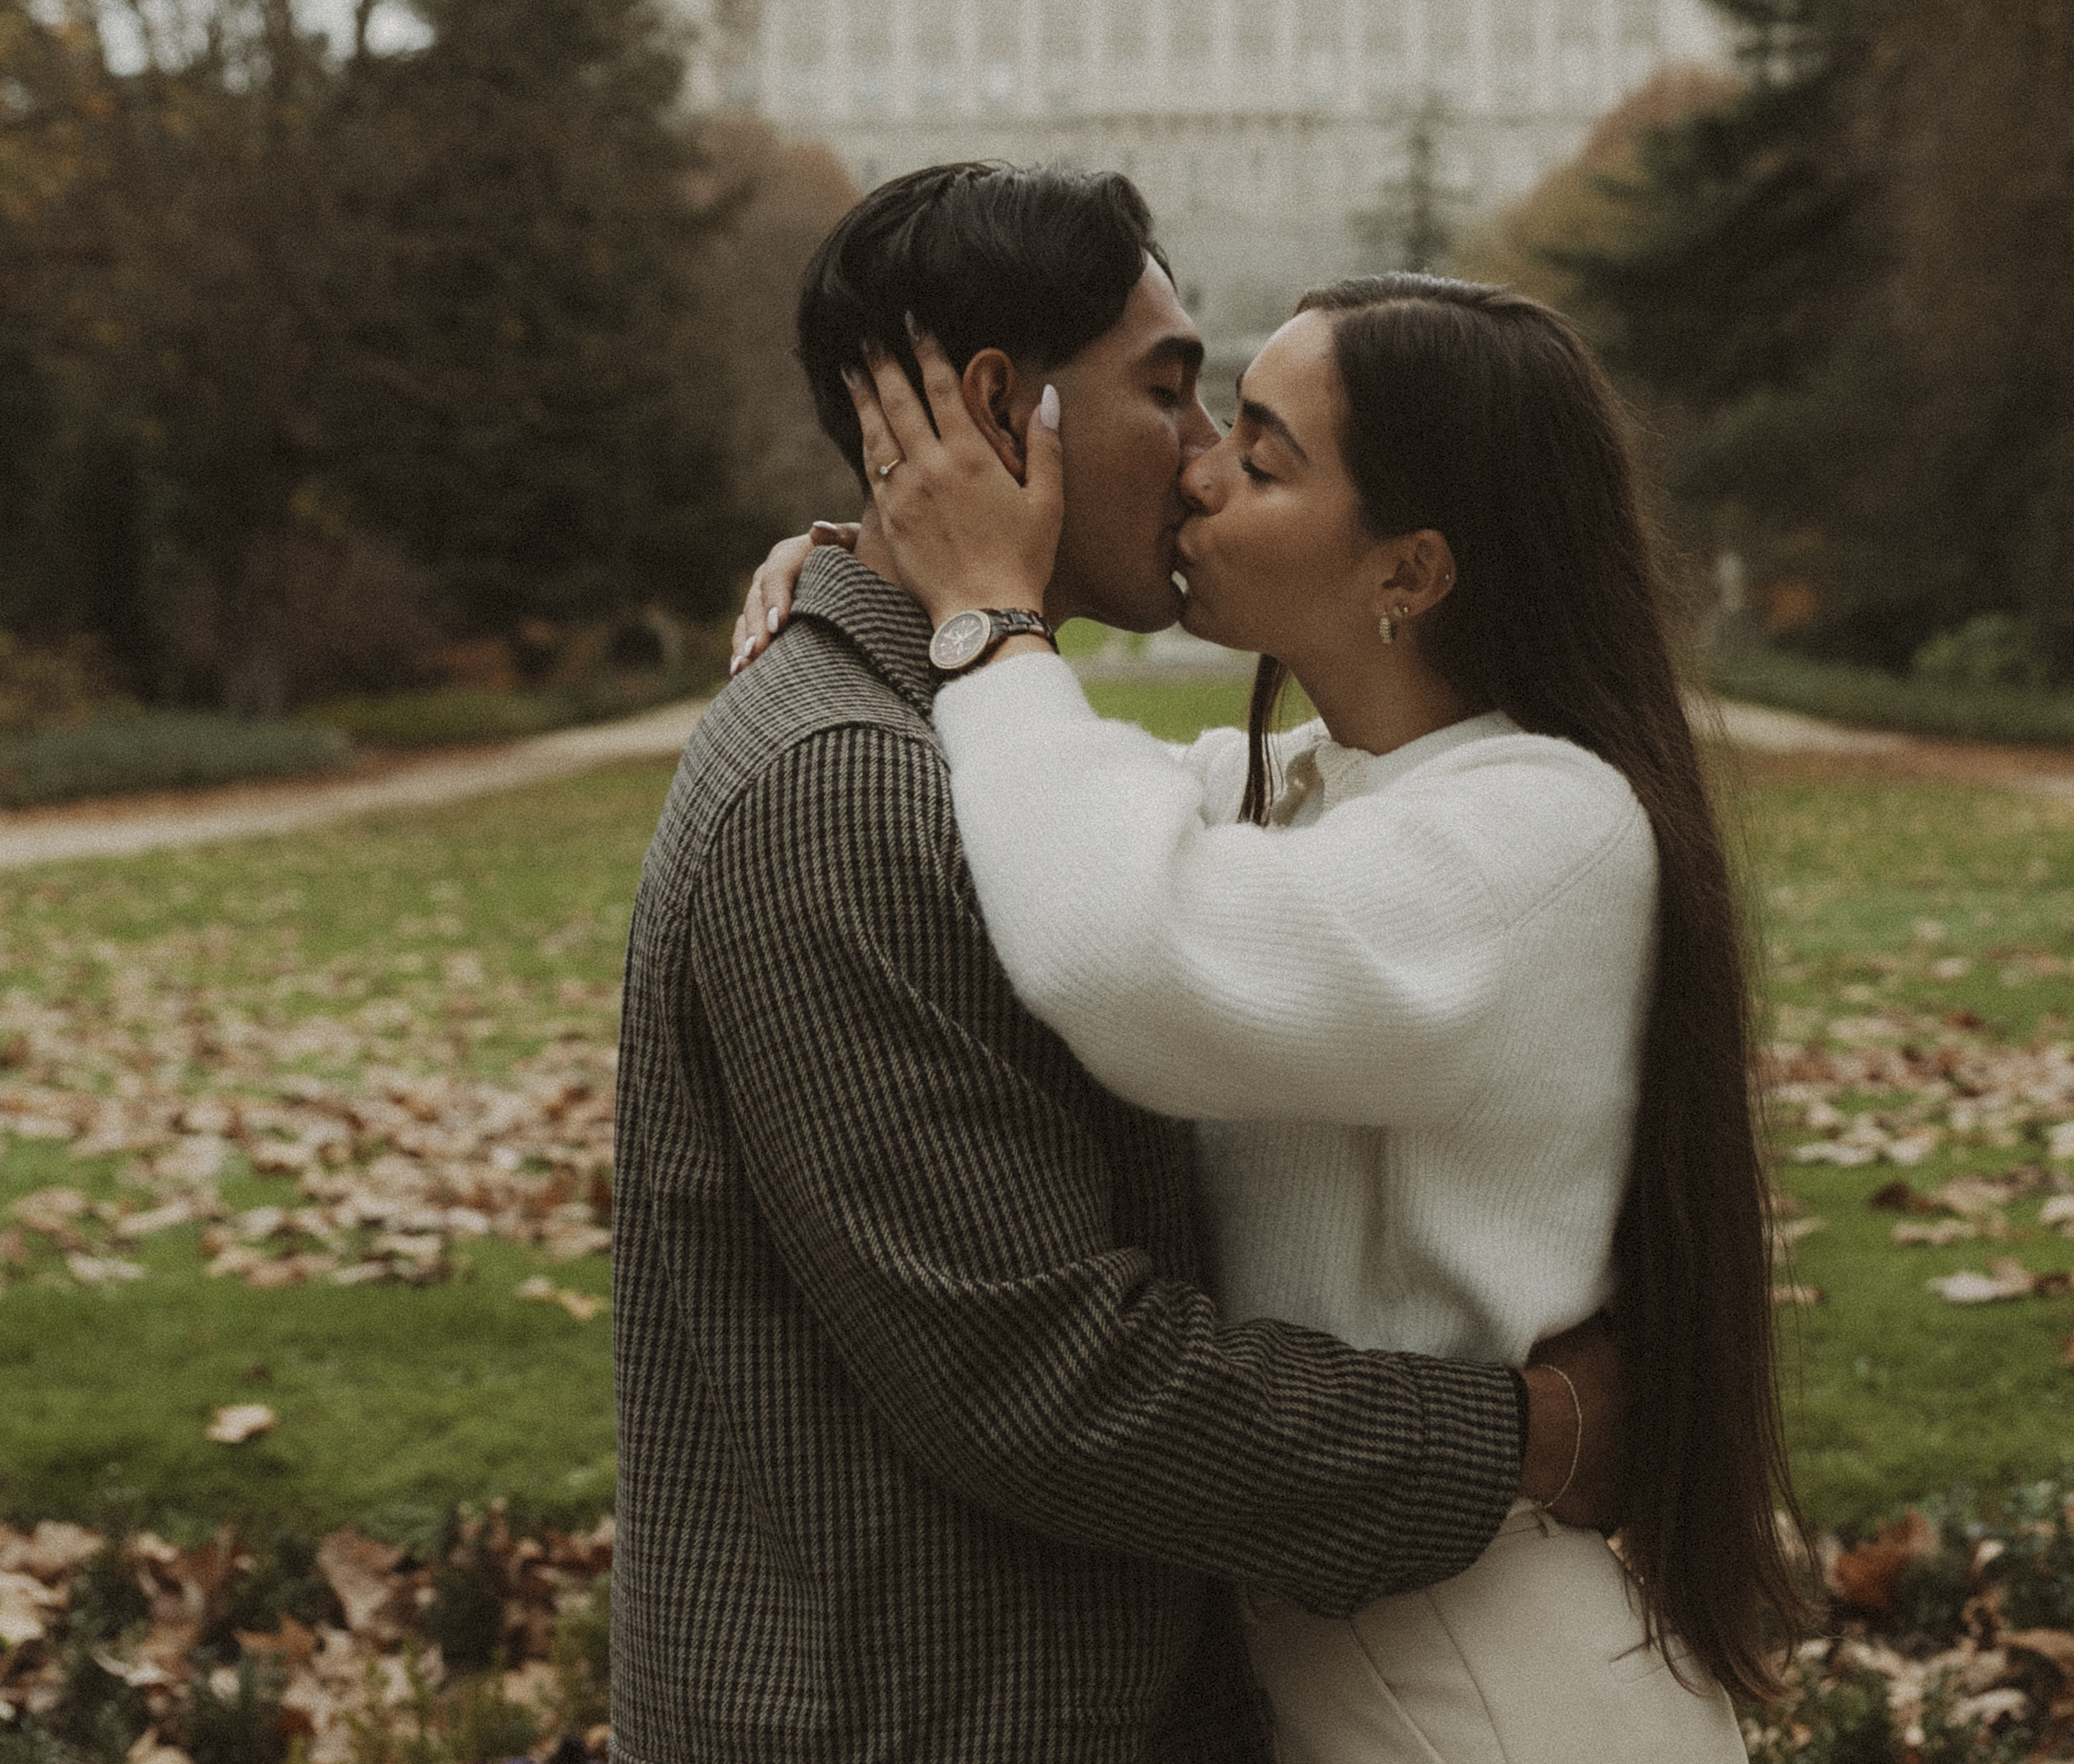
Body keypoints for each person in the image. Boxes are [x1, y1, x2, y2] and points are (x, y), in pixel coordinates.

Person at [613, 162, 1624, 1764]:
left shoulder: (948, 753)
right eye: (1170, 391)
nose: (1205, 458)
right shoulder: (845, 787)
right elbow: (1048, 1382)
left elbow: (1135, 884)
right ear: (1004, 411)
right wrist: (1523, 1435)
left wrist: (925, 585)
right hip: (920, 1717)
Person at [737, 269, 1808, 1757]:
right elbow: (1054, 806)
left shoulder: (1540, 836)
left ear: (1409, 572)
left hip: (1483, 1710)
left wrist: (986, 619)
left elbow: (1123, 948)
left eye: (1259, 449)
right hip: (1366, 1664)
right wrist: (873, 577)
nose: (1195, 470)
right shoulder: (1307, 788)